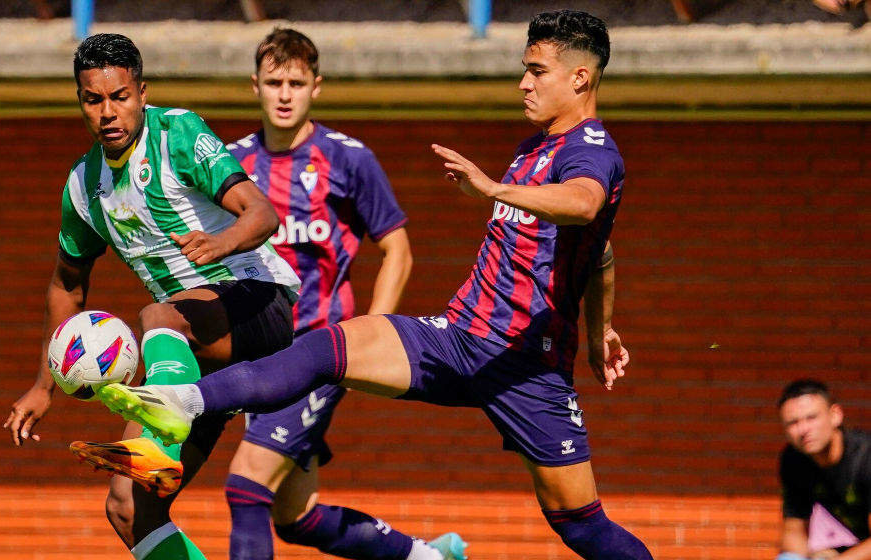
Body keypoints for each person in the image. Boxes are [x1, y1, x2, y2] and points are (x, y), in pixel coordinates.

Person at [95, 10, 653, 559]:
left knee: (579, 525)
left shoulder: (590, 150)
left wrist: (490, 189)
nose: (523, 82)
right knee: (327, 357)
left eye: (537, 71)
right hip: (459, 336)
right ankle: (181, 400)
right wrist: (602, 328)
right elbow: (598, 253)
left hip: (526, 365)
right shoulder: (536, 148)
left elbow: (585, 205)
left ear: (580, 78)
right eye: (525, 69)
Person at [2, 32, 303, 560]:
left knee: (157, 313)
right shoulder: (83, 185)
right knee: (127, 505)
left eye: (120, 96)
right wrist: (43, 386)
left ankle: (163, 423)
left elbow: (263, 213)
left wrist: (222, 241)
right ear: (81, 102)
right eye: (93, 100)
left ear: (142, 92)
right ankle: (167, 420)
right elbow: (67, 286)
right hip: (188, 354)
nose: (108, 112)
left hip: (258, 304)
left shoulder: (176, 134)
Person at [222, 28, 466, 560]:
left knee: (246, 486)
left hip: (321, 352)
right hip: (260, 359)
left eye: (296, 82)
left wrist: (368, 339)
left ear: (317, 87)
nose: (284, 94)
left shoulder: (348, 159)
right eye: (273, 82)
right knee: (297, 518)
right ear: (254, 88)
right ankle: (431, 558)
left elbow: (397, 249)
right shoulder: (230, 163)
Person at [776, 379, 870, 560]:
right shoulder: (794, 459)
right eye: (793, 423)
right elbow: (794, 532)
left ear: (835, 415)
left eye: (811, 418)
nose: (803, 429)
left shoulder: (866, 457)